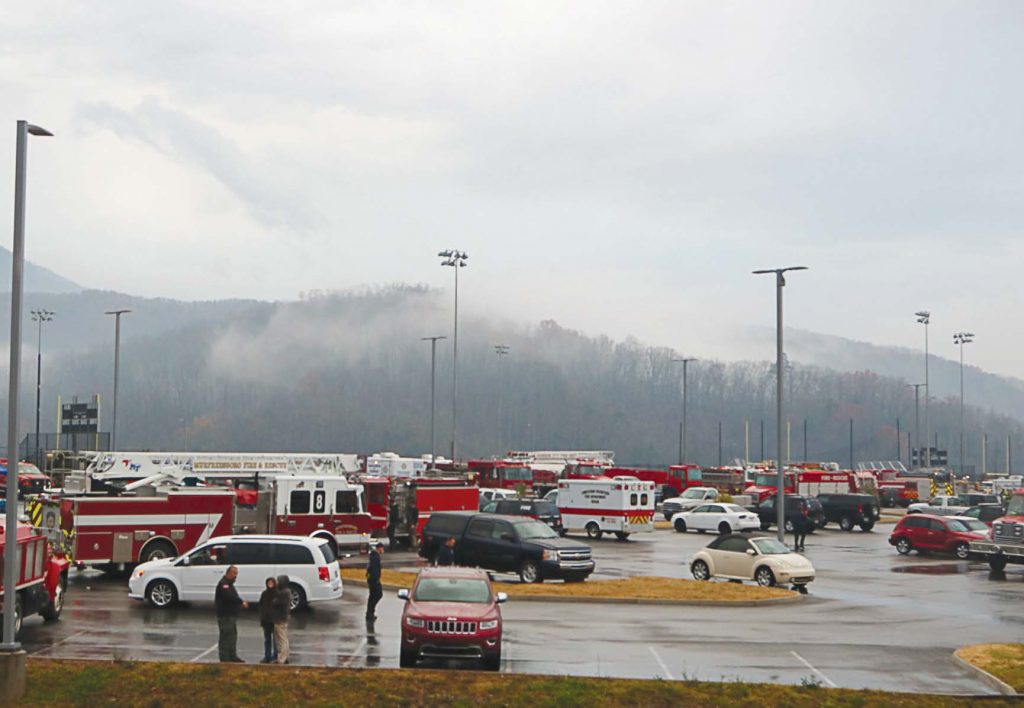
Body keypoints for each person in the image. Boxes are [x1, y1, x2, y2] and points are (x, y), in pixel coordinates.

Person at [215, 565, 248, 662]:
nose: (235, 576)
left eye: (236, 574)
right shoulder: (223, 584)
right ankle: (225, 658)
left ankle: (232, 656)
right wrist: (240, 602)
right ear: (229, 573)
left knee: (232, 636)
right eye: (234, 573)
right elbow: (229, 596)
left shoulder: (229, 584)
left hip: (231, 615)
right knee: (226, 636)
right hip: (225, 615)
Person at [258, 577, 278, 663]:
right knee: (267, 639)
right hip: (266, 620)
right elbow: (261, 605)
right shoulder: (264, 594)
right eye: (268, 583)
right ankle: (267, 656)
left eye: (271, 583)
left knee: (276, 640)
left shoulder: (277, 594)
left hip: (274, 620)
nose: (270, 585)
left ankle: (275, 655)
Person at [272, 574, 292, 664]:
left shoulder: (283, 593)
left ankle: (282, 658)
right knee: (284, 638)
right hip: (283, 618)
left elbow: (276, 602)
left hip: (280, 618)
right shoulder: (286, 591)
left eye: (278, 581)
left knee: (281, 639)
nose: (276, 583)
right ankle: (285, 656)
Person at [366, 542, 384, 623]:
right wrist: (375, 579)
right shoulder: (375, 557)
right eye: (382, 548)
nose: (383, 550)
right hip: (374, 580)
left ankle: (370, 613)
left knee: (372, 596)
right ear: (379, 548)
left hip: (372, 579)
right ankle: (370, 612)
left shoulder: (374, 556)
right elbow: (373, 568)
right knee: (378, 594)